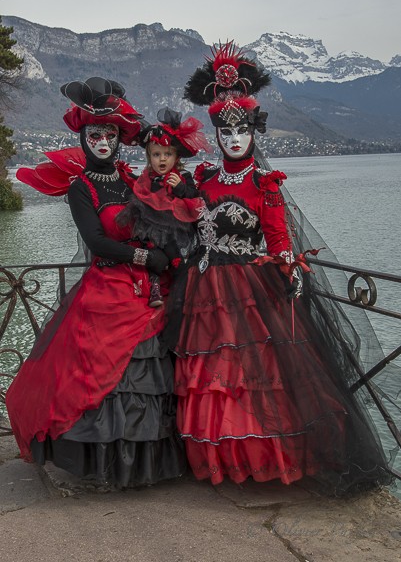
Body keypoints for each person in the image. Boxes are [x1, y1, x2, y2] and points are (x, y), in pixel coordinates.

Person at [168, 42, 393, 494]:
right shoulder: (206, 178)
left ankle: (265, 459)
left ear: (254, 133)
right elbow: (190, 220)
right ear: (217, 135)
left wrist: (289, 265)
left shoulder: (263, 183)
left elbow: (277, 237)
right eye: (226, 134)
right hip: (206, 292)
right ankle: (224, 460)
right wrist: (173, 191)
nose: (233, 139)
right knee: (216, 380)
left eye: (241, 132)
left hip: (251, 290)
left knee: (258, 377)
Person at [6, 77, 186, 488]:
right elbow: (97, 242)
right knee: (103, 376)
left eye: (109, 134)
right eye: (94, 134)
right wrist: (146, 256)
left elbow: (158, 217)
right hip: (107, 288)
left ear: (119, 139)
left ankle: (147, 463)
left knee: (150, 374)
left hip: (148, 289)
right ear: (83, 137)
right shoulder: (80, 188)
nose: (103, 141)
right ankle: (105, 464)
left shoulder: (129, 181)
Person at [117, 106, 211, 308]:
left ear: (176, 157)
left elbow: (194, 198)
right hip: (151, 229)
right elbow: (140, 196)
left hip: (176, 229)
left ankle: (184, 289)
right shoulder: (147, 178)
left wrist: (180, 188)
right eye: (156, 154)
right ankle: (156, 286)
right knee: (153, 252)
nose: (162, 159)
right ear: (149, 157)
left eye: (167, 154)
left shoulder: (182, 177)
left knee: (176, 258)